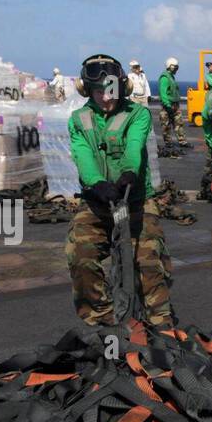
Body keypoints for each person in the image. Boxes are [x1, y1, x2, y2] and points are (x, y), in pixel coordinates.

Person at [65, 53, 173, 328]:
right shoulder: (79, 119)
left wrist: (128, 174)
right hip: (97, 201)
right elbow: (82, 154)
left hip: (135, 200)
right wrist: (96, 183)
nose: (105, 97)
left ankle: (160, 325)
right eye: (98, 90)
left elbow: (134, 147)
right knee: (80, 255)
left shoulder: (137, 114)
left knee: (147, 261)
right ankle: (102, 319)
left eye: (110, 89)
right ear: (87, 90)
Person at [157, 57, 186, 146]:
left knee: (179, 123)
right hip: (168, 105)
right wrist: (167, 105)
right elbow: (163, 93)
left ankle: (182, 141)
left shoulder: (171, 77)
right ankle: (168, 142)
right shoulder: (165, 78)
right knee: (166, 125)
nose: (176, 69)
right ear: (170, 66)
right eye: (175, 67)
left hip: (175, 105)